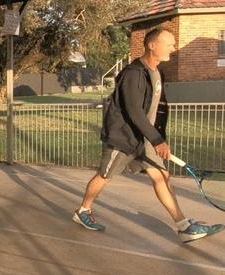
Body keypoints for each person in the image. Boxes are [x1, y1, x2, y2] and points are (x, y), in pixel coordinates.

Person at [72, 28, 223, 243]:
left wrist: (157, 137)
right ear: (152, 45)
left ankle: (183, 226)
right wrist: (157, 140)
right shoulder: (132, 73)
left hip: (146, 139)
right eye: (169, 43)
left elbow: (154, 110)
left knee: (162, 176)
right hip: (124, 139)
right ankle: (83, 211)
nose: (174, 47)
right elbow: (134, 111)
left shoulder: (158, 73)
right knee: (104, 176)